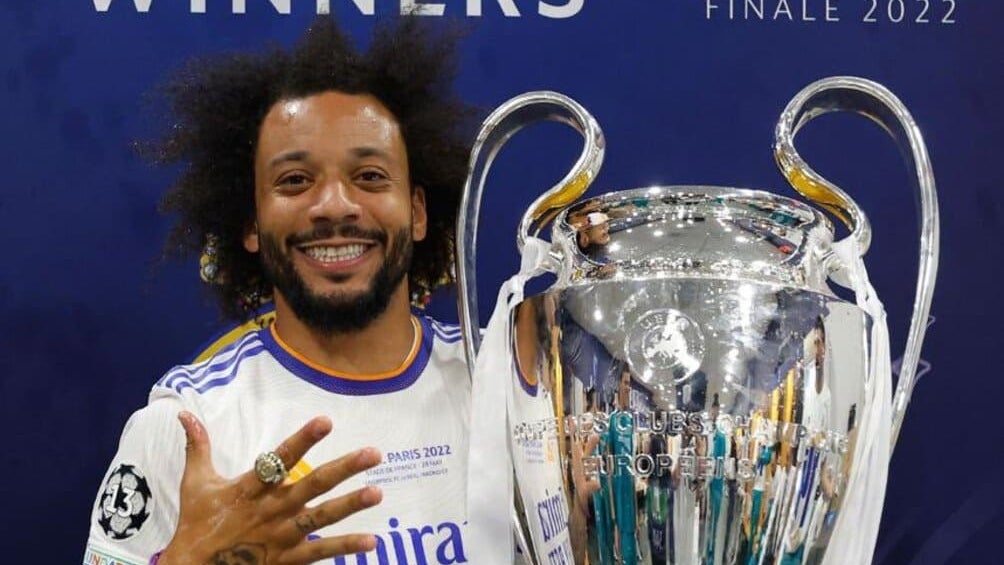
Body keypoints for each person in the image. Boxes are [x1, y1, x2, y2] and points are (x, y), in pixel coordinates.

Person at [84, 16, 478, 565]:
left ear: (417, 212)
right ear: (250, 223)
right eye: (295, 181)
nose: (335, 205)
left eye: (369, 176)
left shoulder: (503, 380)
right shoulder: (186, 427)